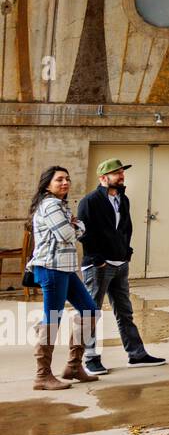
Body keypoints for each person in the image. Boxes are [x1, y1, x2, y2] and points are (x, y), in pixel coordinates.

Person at [77, 159, 164, 371]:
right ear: (103, 178)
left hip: (120, 264)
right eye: (116, 173)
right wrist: (98, 259)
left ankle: (137, 354)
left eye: (121, 172)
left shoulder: (123, 200)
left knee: (125, 312)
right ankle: (90, 359)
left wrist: (127, 252)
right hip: (98, 266)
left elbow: (126, 228)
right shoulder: (90, 201)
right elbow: (83, 233)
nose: (121, 176)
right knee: (91, 313)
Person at [27, 166, 98, 390]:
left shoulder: (61, 205)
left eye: (67, 179)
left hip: (65, 268)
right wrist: (78, 225)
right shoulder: (50, 205)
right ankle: (42, 376)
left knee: (90, 311)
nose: (65, 183)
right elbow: (68, 234)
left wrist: (75, 225)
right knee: (52, 319)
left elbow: (72, 231)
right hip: (51, 268)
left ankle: (74, 366)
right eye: (59, 180)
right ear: (47, 184)